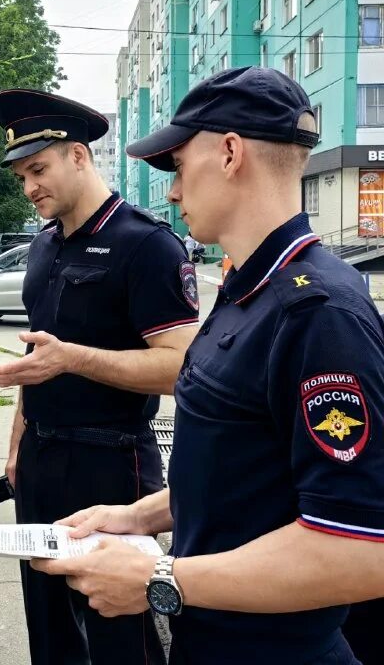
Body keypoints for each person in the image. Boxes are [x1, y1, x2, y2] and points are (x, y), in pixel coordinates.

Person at [32, 67, 384, 665]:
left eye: (176, 166)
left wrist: (160, 581)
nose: (170, 191)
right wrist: (132, 516)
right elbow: (236, 470)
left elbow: (360, 552)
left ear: (228, 153)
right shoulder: (249, 288)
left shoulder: (317, 311)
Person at [0, 89, 200, 665]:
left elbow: (182, 367)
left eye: (38, 169)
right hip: (40, 461)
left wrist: (75, 359)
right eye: (20, 177)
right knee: (49, 625)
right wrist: (16, 445)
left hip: (113, 467)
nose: (29, 187)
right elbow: (40, 355)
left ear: (78, 156)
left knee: (116, 627)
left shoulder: (145, 244)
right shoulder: (43, 246)